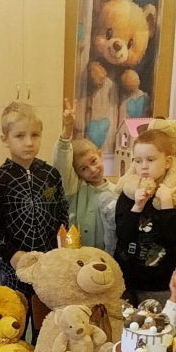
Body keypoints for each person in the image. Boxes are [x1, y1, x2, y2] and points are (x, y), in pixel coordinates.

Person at [0, 101, 68, 305]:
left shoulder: (51, 175)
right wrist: (11, 254)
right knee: (16, 313)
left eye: (35, 135)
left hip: (50, 264)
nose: (29, 142)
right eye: (20, 136)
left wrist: (61, 250)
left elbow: (62, 214)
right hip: (14, 267)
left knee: (48, 314)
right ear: (5, 139)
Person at [114, 128, 176, 307]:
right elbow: (123, 235)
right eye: (138, 161)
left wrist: (166, 205)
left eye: (151, 159)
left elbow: (172, 238)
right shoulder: (128, 194)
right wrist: (137, 207)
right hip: (126, 281)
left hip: (159, 284)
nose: (144, 166)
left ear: (167, 162)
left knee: (156, 323)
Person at [53, 98, 116, 254]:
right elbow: (61, 163)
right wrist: (68, 129)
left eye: (93, 161)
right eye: (83, 168)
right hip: (76, 258)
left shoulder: (116, 192)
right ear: (76, 173)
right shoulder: (75, 188)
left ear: (100, 155)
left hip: (105, 259)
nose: (93, 170)